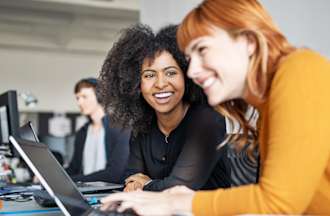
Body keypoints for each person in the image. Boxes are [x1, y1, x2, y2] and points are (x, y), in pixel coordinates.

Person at [100, 0, 330, 215]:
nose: (192, 71)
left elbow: (278, 202)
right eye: (190, 57)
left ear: (249, 41)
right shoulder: (267, 107)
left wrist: (176, 201)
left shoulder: (300, 71)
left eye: (202, 50)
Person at [99, 24, 233, 192]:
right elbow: (131, 179)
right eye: (149, 75)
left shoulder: (208, 121)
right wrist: (137, 185)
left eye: (170, 73)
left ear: (187, 76)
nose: (161, 84)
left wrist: (146, 184)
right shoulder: (142, 126)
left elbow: (179, 188)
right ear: (136, 84)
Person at [66, 78, 130, 183]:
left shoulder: (120, 128)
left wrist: (73, 180)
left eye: (84, 97)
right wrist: (51, 178)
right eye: (77, 98)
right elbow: (74, 168)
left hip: (109, 193)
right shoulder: (82, 132)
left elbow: (114, 173)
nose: (79, 102)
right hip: (85, 191)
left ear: (100, 96)